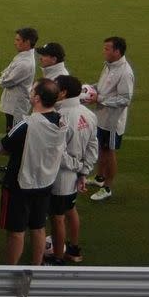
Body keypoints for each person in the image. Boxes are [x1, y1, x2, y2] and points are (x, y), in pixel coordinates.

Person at [0, 78, 65, 265]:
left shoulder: (27, 124)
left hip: (21, 182)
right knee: (38, 227)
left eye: (33, 91)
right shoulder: (61, 121)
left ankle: (10, 270)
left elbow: (4, 147)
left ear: (37, 98)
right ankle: (36, 268)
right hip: (45, 181)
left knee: (16, 231)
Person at [47, 75, 98, 263]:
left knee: (57, 217)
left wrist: (76, 167)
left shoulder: (59, 116)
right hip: (75, 172)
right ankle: (74, 249)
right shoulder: (88, 114)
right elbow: (93, 146)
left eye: (55, 88)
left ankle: (58, 257)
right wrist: (84, 170)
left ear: (63, 92)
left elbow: (58, 151)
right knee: (70, 209)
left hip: (60, 175)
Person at [85, 36, 135, 202]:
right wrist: (90, 89)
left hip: (112, 122)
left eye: (107, 49)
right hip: (101, 118)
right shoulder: (109, 66)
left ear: (117, 51)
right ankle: (100, 178)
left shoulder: (125, 72)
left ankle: (107, 187)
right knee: (101, 148)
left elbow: (125, 99)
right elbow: (104, 87)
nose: (103, 51)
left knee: (109, 152)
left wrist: (99, 99)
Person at [0, 27, 38, 131]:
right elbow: (7, 72)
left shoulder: (25, 63)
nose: (15, 43)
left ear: (27, 42)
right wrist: (4, 75)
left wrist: (2, 79)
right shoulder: (23, 57)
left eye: (18, 40)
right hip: (14, 104)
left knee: (13, 134)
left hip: (16, 107)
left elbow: (6, 81)